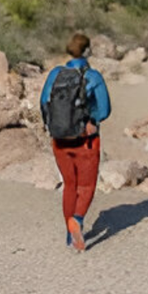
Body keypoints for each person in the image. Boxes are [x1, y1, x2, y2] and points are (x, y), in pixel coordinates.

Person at [39, 32, 111, 252]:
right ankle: (77, 221)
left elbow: (44, 103)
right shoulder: (93, 76)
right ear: (88, 51)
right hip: (85, 141)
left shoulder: (55, 74)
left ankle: (69, 236)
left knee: (69, 185)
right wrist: (92, 120)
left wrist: (53, 127)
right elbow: (105, 110)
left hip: (60, 139)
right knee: (87, 185)